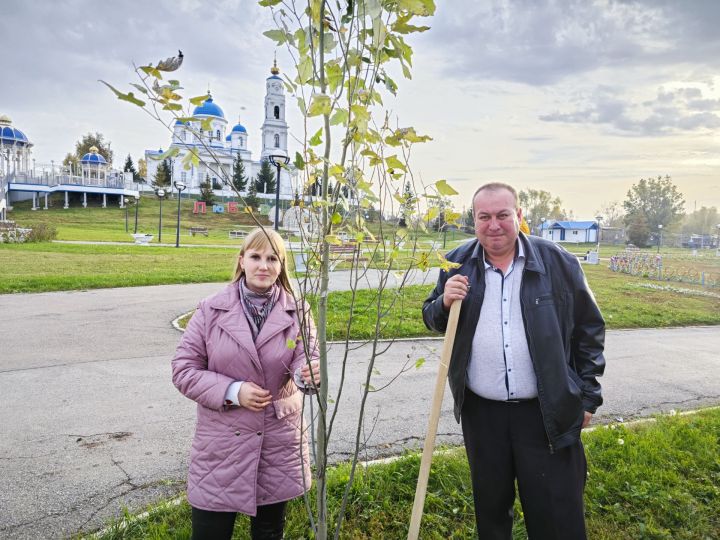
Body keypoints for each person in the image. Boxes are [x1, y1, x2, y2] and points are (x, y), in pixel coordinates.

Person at [423, 182, 605, 539]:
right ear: (473, 221)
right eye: (484, 216)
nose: (494, 225)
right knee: (491, 513)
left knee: (556, 516)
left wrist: (588, 395)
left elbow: (590, 328)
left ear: (519, 217)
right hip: (483, 415)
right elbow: (432, 318)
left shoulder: (558, 263)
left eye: (503, 215)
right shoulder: (457, 263)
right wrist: (443, 302)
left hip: (546, 412)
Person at [172, 227, 320, 540]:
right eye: (255, 256)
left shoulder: (298, 312)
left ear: (281, 266)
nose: (263, 265)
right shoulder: (211, 310)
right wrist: (233, 391)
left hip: (276, 442)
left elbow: (303, 362)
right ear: (242, 261)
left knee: (268, 533)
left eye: (272, 258)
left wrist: (308, 375)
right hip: (220, 444)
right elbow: (184, 369)